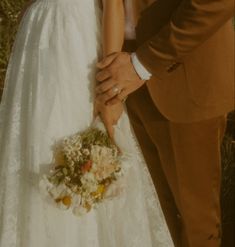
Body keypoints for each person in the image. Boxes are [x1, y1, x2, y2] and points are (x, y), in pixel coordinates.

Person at [0, 0, 173, 246]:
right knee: (35, 144)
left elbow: (113, 5)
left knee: (76, 141)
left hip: (73, 40)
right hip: (38, 39)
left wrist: (109, 93)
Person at [95, 0, 234, 246]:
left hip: (182, 76)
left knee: (197, 226)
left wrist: (142, 63)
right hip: (119, 72)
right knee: (151, 219)